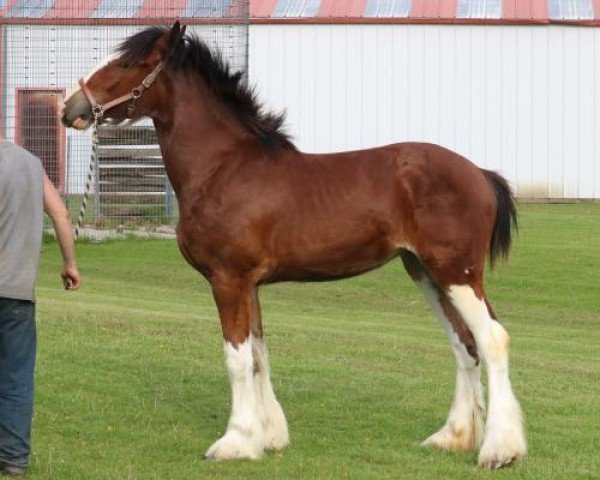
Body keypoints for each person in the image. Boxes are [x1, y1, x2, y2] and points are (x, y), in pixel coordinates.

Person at [0, 139, 81, 477]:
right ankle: (14, 458)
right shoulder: (30, 163)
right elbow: (61, 212)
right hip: (18, 290)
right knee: (17, 375)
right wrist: (70, 263)